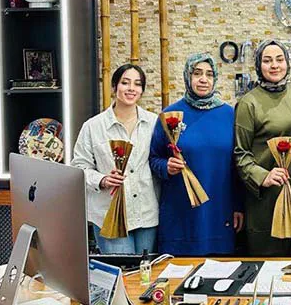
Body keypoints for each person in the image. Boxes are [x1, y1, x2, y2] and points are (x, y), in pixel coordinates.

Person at [149, 53, 243, 256]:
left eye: (209, 74)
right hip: (181, 211)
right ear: (187, 76)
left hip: (220, 209)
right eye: (197, 73)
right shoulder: (170, 115)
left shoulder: (229, 115)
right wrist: (166, 167)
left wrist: (238, 205)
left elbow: (237, 166)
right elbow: (154, 158)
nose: (203, 79)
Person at [234, 40, 291, 256]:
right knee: (268, 267)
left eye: (280, 59)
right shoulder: (249, 103)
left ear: (287, 63)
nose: (274, 65)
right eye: (267, 60)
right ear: (258, 65)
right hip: (267, 202)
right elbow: (241, 153)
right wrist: (262, 176)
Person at [72, 64, 158, 254]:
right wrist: (102, 179)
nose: (131, 88)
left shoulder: (153, 123)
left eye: (137, 84)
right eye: (125, 83)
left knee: (147, 269)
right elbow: (79, 167)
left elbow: (159, 160)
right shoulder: (93, 126)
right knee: (123, 269)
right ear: (114, 87)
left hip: (146, 212)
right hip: (109, 213)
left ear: (142, 90)